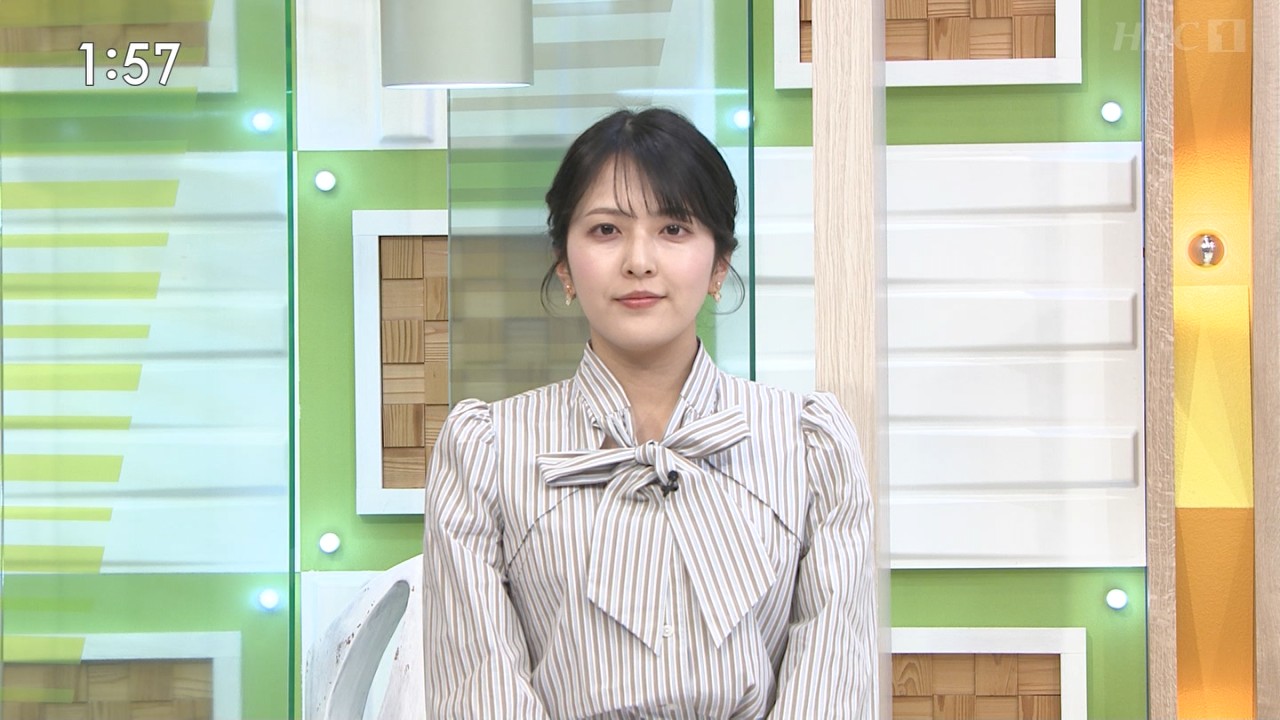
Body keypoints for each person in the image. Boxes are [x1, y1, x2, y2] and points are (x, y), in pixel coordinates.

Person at [421, 107, 876, 718]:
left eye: (674, 228)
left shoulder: (809, 446)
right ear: (564, 265)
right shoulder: (486, 452)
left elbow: (832, 681)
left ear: (719, 264)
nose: (639, 260)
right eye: (606, 229)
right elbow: (477, 685)